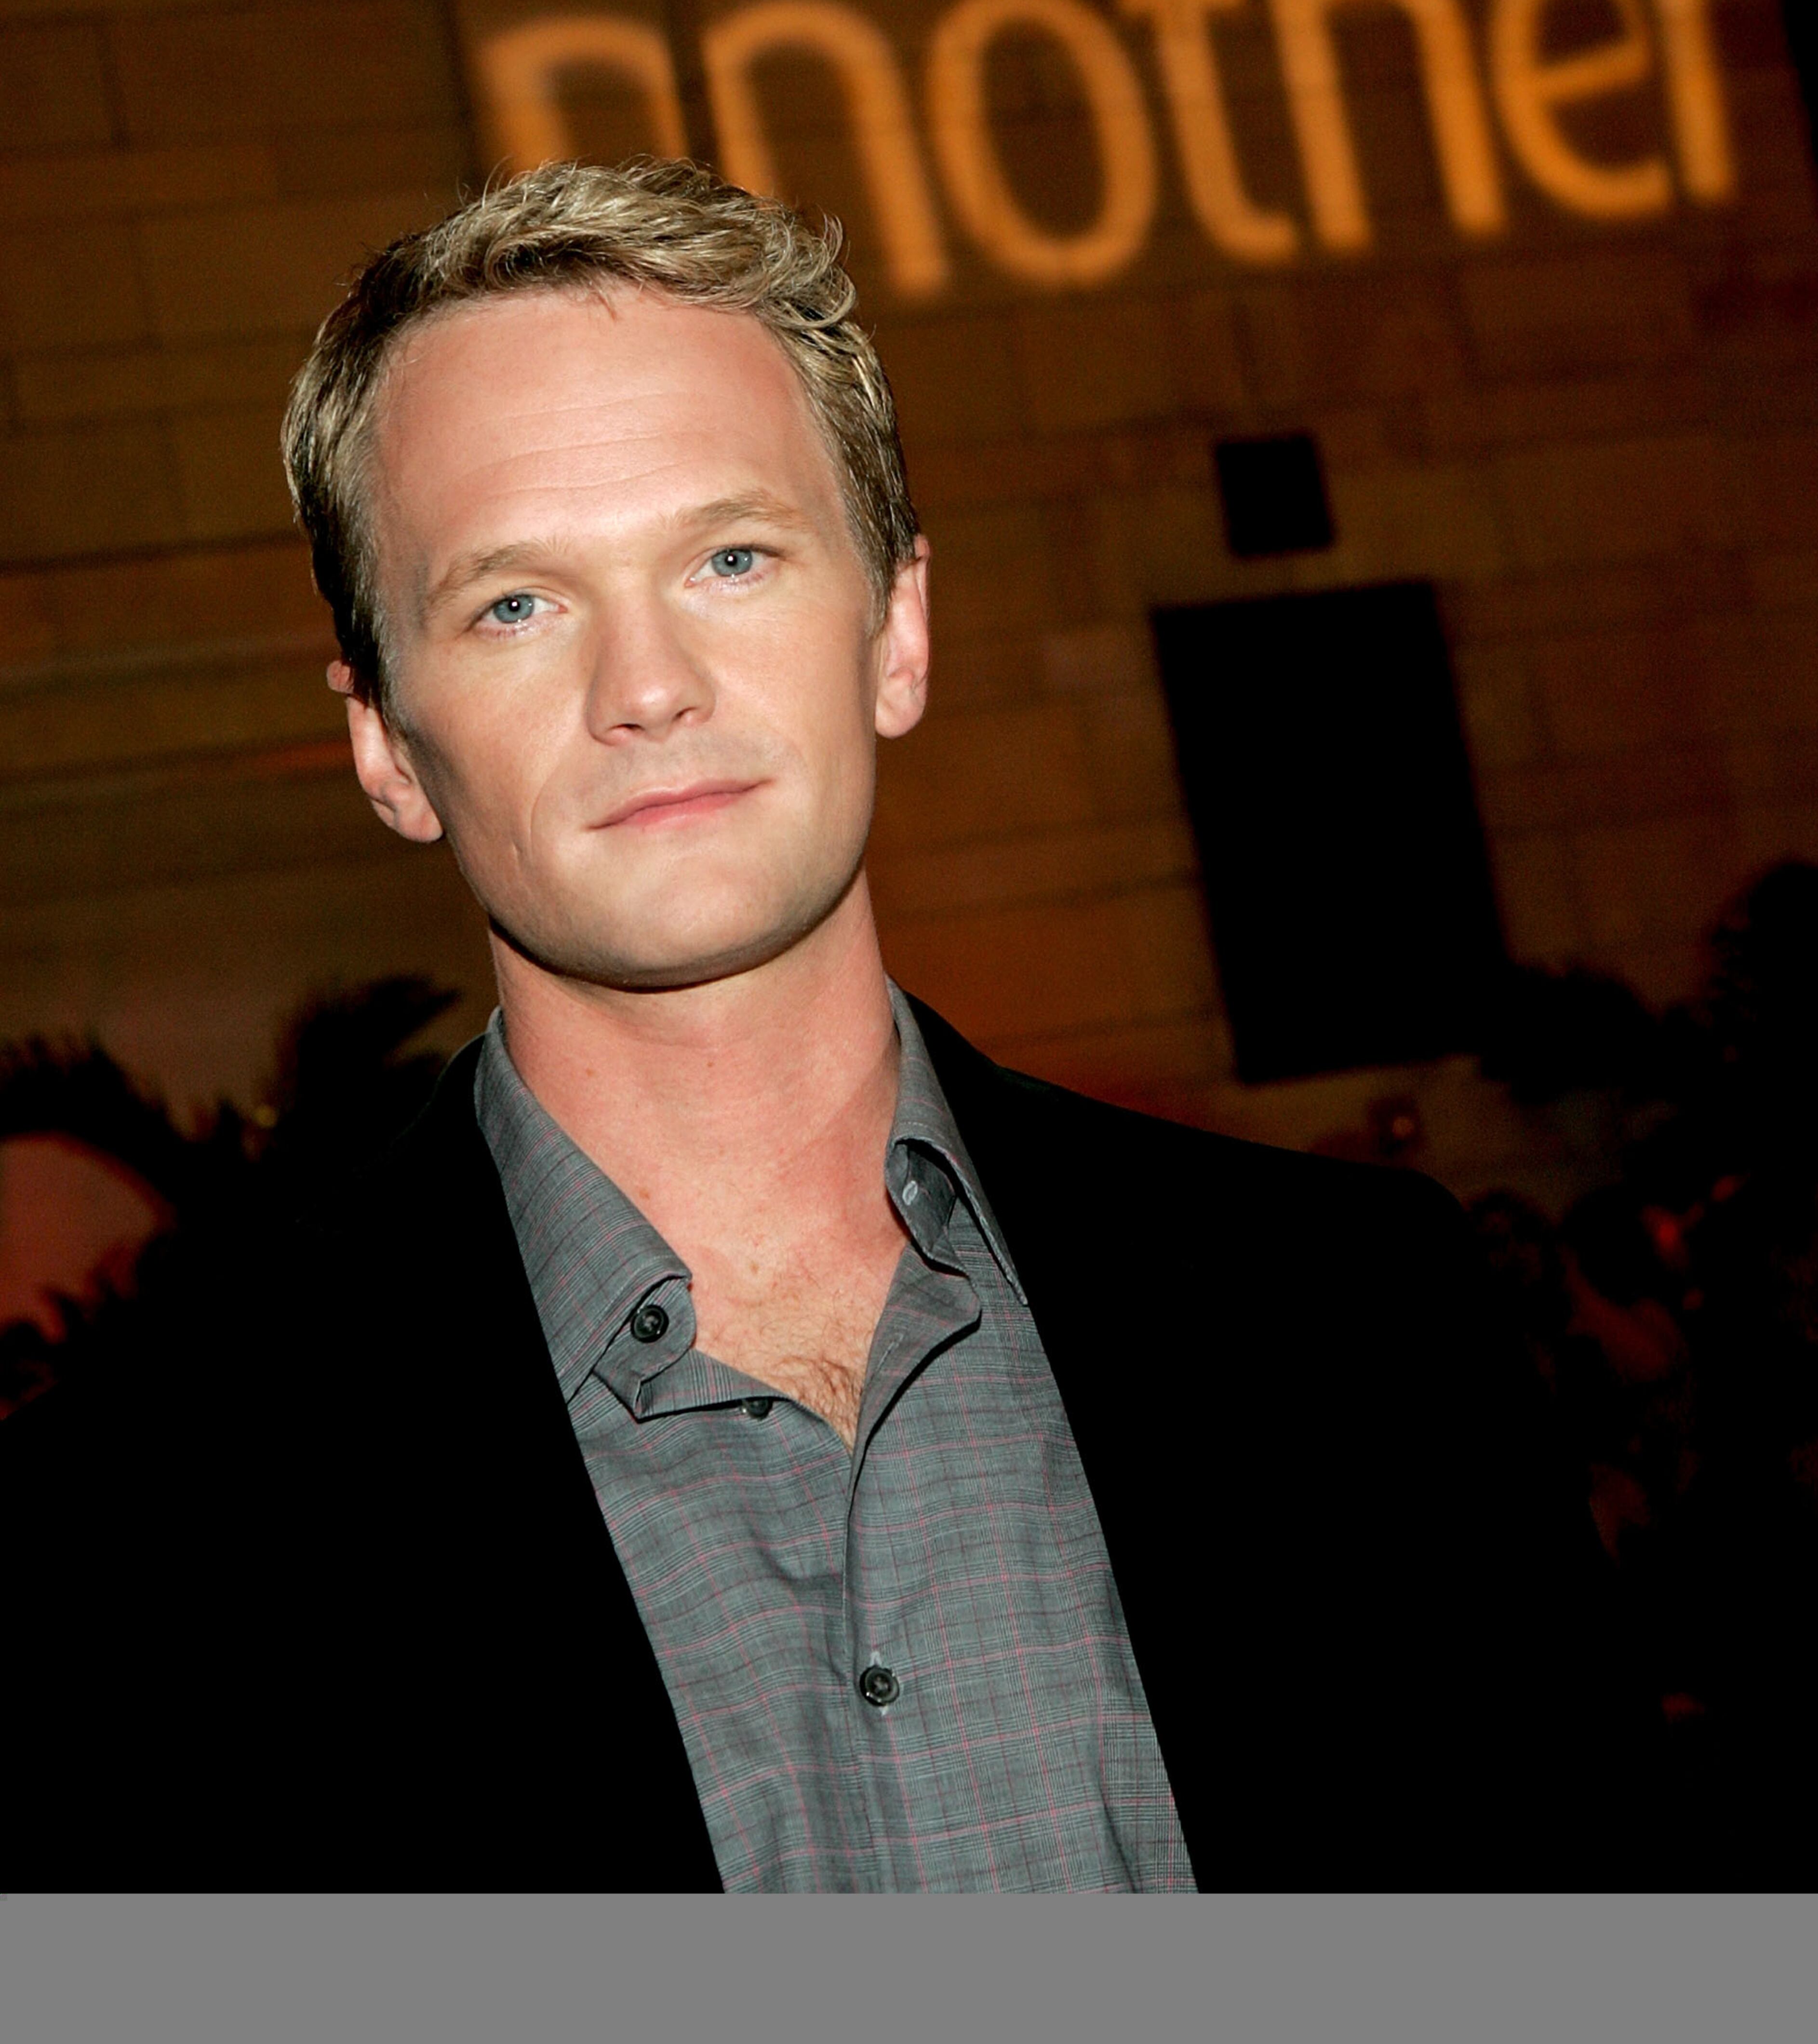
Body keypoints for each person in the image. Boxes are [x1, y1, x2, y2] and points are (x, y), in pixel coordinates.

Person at [2, 159, 1658, 1891]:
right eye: (516, 603)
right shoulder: (141, 1515)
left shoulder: (1363, 1326)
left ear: (898, 631)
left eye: (731, 556)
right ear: (387, 748)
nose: (647, 686)